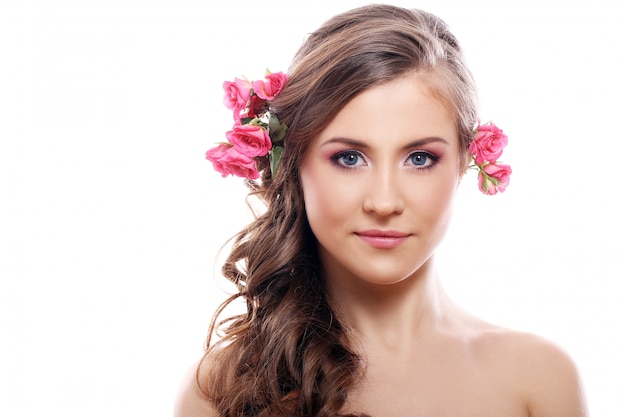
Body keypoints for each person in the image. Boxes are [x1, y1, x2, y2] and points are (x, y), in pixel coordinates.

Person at [175, 4, 587, 416]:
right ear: (293, 163)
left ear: (464, 162)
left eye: (420, 158)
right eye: (350, 158)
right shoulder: (220, 391)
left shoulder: (539, 379)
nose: (385, 202)